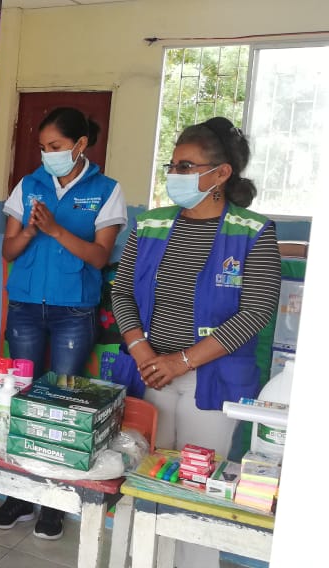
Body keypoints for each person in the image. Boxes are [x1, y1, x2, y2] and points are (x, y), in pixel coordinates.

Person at [112, 117, 280, 567]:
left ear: (220, 173)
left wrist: (181, 361)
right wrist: (142, 351)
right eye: (172, 166)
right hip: (149, 375)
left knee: (197, 491)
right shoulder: (150, 225)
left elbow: (255, 313)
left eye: (186, 167)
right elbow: (122, 291)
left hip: (212, 382)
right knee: (143, 483)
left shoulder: (254, 232)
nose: (175, 175)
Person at [0, 107, 127, 540]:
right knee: (21, 400)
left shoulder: (106, 190)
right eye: (43, 147)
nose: (47, 154)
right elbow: (8, 252)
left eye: (55, 146)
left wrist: (55, 230)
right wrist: (30, 232)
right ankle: (18, 496)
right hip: (27, 306)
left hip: (74, 311)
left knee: (63, 406)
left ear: (80, 145)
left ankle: (53, 504)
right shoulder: (28, 185)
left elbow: (100, 257)